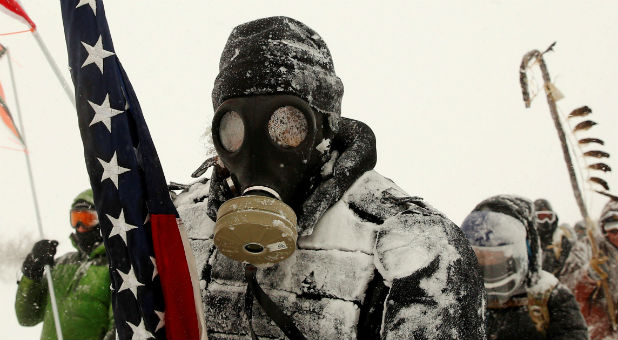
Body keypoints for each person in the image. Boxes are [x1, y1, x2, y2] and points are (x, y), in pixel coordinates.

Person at [174, 16, 485, 340]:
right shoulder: (177, 226)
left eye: (286, 124)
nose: (259, 150)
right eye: (236, 127)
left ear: (325, 127)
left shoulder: (414, 247)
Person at [461, 195, 588, 340]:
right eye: (480, 253)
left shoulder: (551, 297)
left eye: (497, 252)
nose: (489, 260)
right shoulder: (460, 297)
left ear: (525, 247)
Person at [15, 189, 114, 340]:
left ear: (103, 220)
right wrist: (32, 272)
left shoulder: (115, 268)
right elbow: (27, 317)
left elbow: (119, 328)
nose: (80, 227)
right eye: (75, 219)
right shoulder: (62, 265)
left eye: (87, 219)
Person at [572, 198, 618, 340]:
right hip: (600, 332)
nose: (617, 234)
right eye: (612, 228)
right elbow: (570, 292)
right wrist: (589, 275)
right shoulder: (587, 248)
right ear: (603, 228)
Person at [534, 198, 573, 277]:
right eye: (541, 217)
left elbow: (569, 268)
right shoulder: (528, 240)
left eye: (549, 217)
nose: (546, 221)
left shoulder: (561, 240)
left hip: (557, 284)